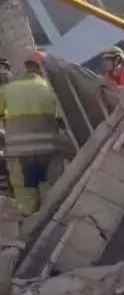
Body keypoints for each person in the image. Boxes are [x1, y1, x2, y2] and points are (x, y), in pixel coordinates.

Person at [0, 51, 70, 215]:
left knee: (26, 201)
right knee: (50, 198)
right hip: (48, 155)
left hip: (21, 156)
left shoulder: (10, 90)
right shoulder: (51, 91)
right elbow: (63, 121)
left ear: (26, 67)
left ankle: (30, 236)